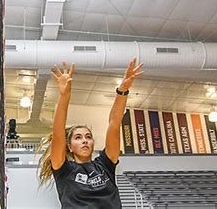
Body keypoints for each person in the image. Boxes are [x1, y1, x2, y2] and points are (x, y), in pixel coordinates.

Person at [37, 58, 143, 208]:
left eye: (88, 137)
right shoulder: (63, 169)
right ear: (69, 146)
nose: (85, 140)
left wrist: (123, 90)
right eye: (78, 138)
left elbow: (114, 123)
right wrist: (64, 96)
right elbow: (58, 133)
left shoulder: (105, 165)